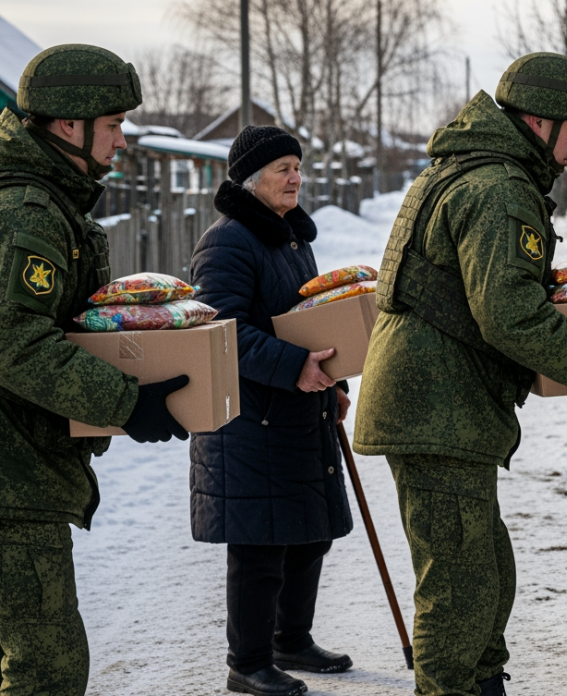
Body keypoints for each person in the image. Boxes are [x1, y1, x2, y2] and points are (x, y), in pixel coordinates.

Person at [353, 53, 567, 696]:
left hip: (443, 404)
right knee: (457, 590)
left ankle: (485, 682)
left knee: (485, 571)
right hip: (435, 407)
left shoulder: (469, 169)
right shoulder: (499, 188)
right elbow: (509, 313)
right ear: (538, 122)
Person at [0, 44, 189, 695]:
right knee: (48, 664)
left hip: (0, 454)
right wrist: (127, 402)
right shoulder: (21, 214)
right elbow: (16, 344)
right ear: (69, 125)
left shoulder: (36, 201)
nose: (122, 141)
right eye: (113, 125)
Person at [188, 125, 356, 696]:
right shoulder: (227, 242)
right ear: (250, 179)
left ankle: (291, 640)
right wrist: (294, 368)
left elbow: (307, 319)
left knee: (308, 533)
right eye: (283, 169)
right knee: (260, 544)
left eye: (297, 167)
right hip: (250, 417)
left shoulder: (290, 239)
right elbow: (222, 332)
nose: (295, 178)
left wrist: (330, 379)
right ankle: (249, 662)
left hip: (297, 409)